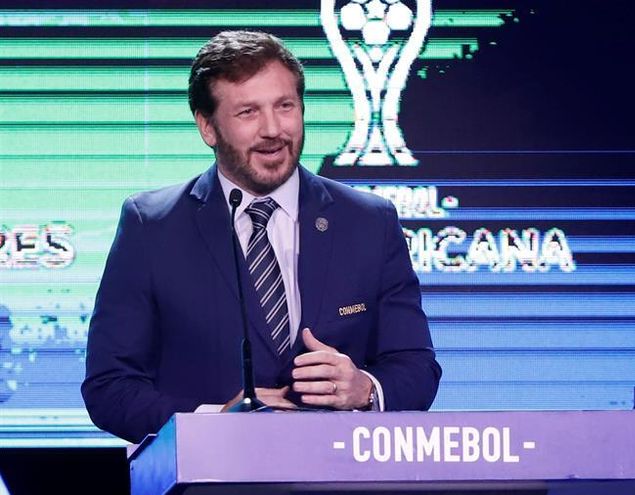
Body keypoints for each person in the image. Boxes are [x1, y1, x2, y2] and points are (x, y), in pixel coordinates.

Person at [81, 30, 441, 444]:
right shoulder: (152, 226)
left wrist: (366, 389)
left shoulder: (368, 222)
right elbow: (109, 387)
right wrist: (212, 422)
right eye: (248, 112)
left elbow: (416, 367)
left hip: (339, 468)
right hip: (213, 474)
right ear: (208, 127)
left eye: (285, 106)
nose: (273, 129)